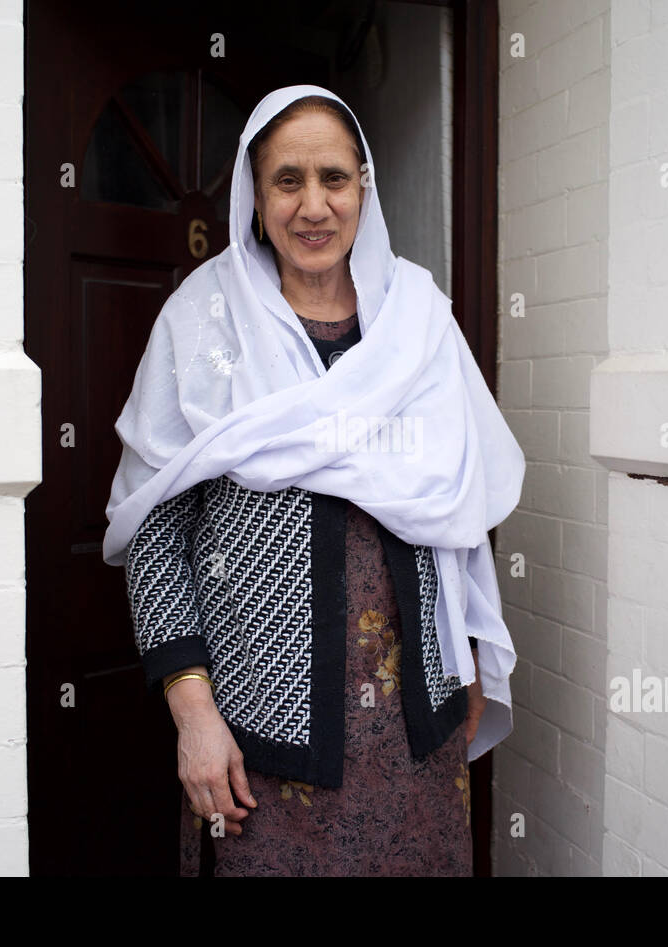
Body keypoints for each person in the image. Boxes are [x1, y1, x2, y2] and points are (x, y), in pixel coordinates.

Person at [102, 84, 525, 876]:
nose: (314, 206)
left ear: (363, 185)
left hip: (413, 732)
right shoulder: (203, 323)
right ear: (255, 198)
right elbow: (156, 533)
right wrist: (193, 716)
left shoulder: (418, 322)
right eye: (287, 181)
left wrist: (465, 657)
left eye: (333, 178)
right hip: (259, 739)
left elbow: (459, 501)